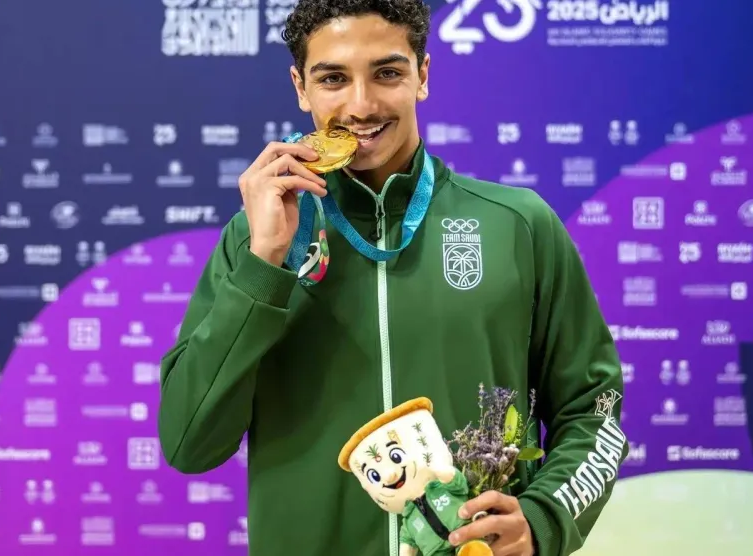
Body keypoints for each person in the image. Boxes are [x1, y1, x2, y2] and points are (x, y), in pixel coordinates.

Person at [157, 0, 627, 553]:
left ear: (422, 75)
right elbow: (189, 442)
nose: (360, 105)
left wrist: (542, 515)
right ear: (301, 88)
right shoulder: (255, 240)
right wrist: (264, 265)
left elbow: (595, 409)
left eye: (386, 73)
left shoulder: (518, 225)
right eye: (332, 78)